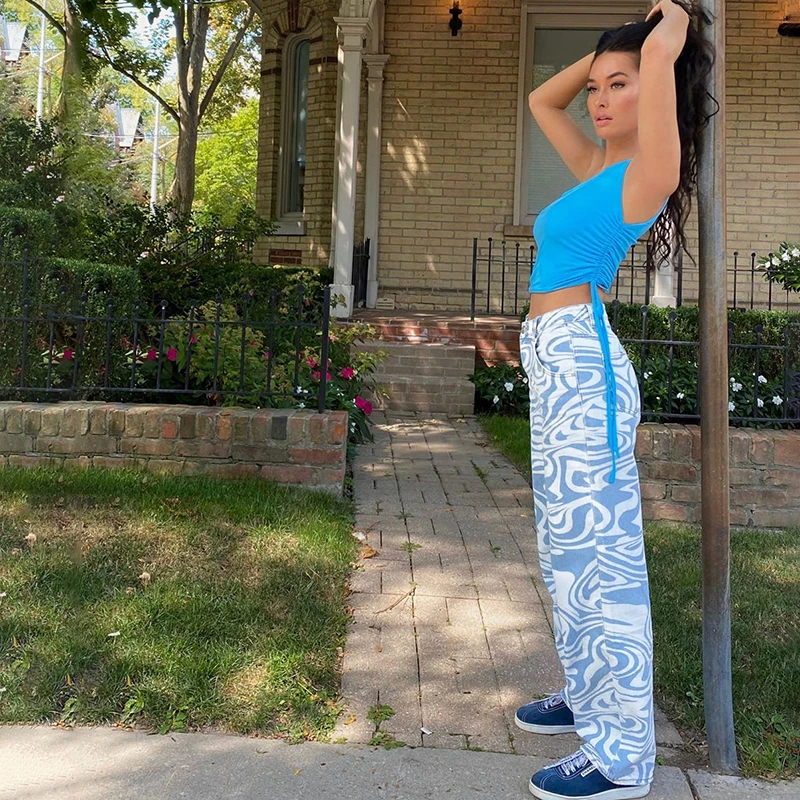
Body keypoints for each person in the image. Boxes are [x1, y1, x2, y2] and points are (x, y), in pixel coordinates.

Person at [514, 2, 715, 799]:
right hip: (554, 361)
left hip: (583, 366)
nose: (598, 99)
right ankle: (586, 691)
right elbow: (542, 99)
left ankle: (623, 755)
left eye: (617, 86)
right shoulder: (600, 168)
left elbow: (662, 60)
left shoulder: (647, 174)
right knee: (566, 553)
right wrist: (609, 51)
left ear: (655, 86)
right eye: (596, 87)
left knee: (601, 561)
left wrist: (665, 34)